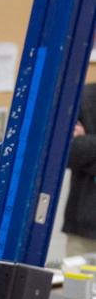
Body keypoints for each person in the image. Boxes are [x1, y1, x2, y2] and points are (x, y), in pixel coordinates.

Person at [61, 82, 96, 257]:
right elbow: (65, 152)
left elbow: (80, 149)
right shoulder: (81, 97)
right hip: (85, 229)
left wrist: (87, 141)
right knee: (77, 284)